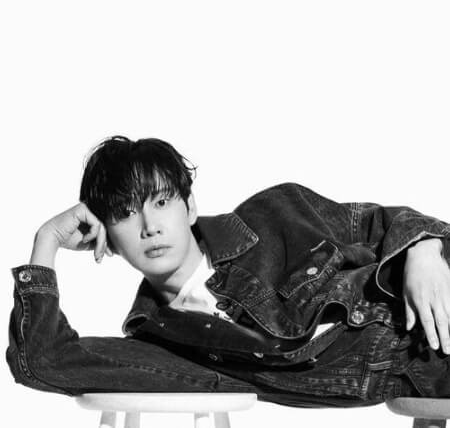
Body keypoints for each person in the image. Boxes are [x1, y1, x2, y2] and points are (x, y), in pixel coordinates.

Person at [7, 135, 450, 408]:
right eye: (125, 214)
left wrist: (425, 248)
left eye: (161, 202)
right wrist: (47, 241)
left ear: (189, 207)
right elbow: (44, 361)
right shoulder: (164, 343)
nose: (150, 226)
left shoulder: (277, 214)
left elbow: (384, 223)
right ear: (106, 236)